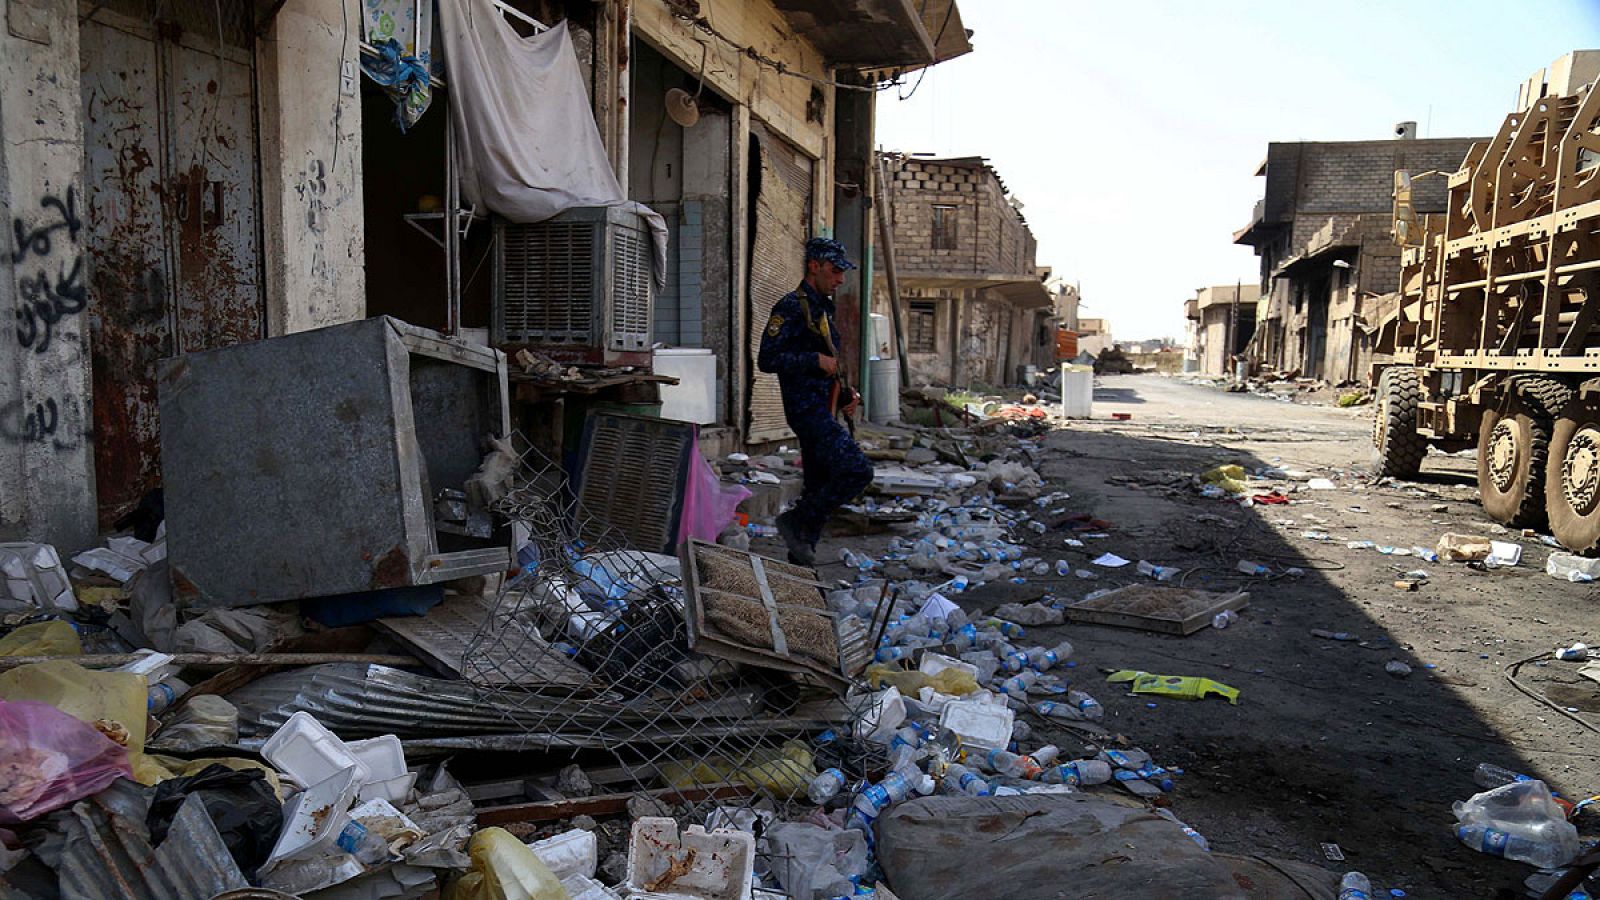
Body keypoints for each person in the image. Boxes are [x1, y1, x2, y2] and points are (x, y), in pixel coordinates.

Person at [757, 237, 875, 566]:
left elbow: (830, 362)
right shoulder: (791, 306)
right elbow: (767, 358)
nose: (840, 279)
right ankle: (794, 520)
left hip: (823, 408)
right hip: (806, 411)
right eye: (835, 271)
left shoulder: (821, 307)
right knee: (857, 471)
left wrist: (848, 396)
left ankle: (801, 574)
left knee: (816, 489)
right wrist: (813, 360)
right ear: (815, 266)